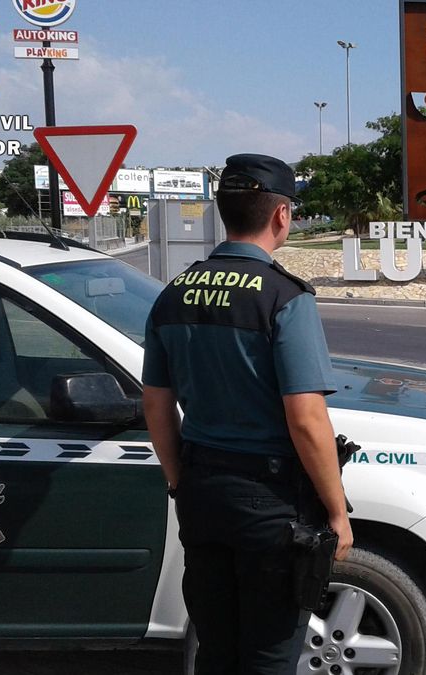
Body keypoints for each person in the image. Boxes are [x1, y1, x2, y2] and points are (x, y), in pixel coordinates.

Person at [142, 153, 353, 675]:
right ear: (281, 215)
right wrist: (336, 511)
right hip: (270, 506)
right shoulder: (284, 297)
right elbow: (306, 420)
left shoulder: (173, 295)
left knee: (216, 650)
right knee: (268, 655)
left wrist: (179, 481)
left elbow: (156, 404)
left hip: (201, 493)